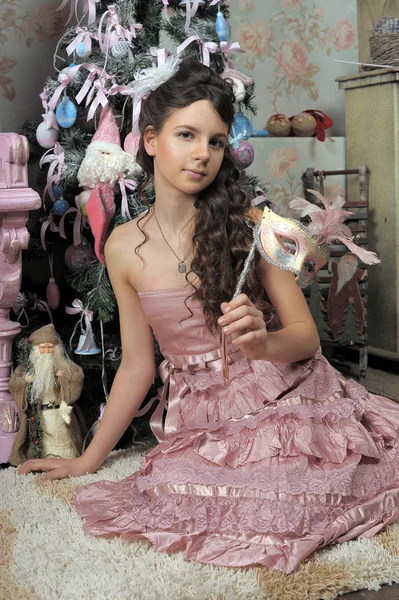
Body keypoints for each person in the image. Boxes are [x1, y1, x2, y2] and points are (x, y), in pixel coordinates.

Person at [18, 60, 399, 574]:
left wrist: (263, 344)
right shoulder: (124, 246)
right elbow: (137, 366)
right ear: (150, 140)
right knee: (183, 496)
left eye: (216, 141)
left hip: (279, 388)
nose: (202, 154)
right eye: (186, 135)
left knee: (295, 496)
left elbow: (306, 338)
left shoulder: (252, 226)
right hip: (199, 410)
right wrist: (86, 460)